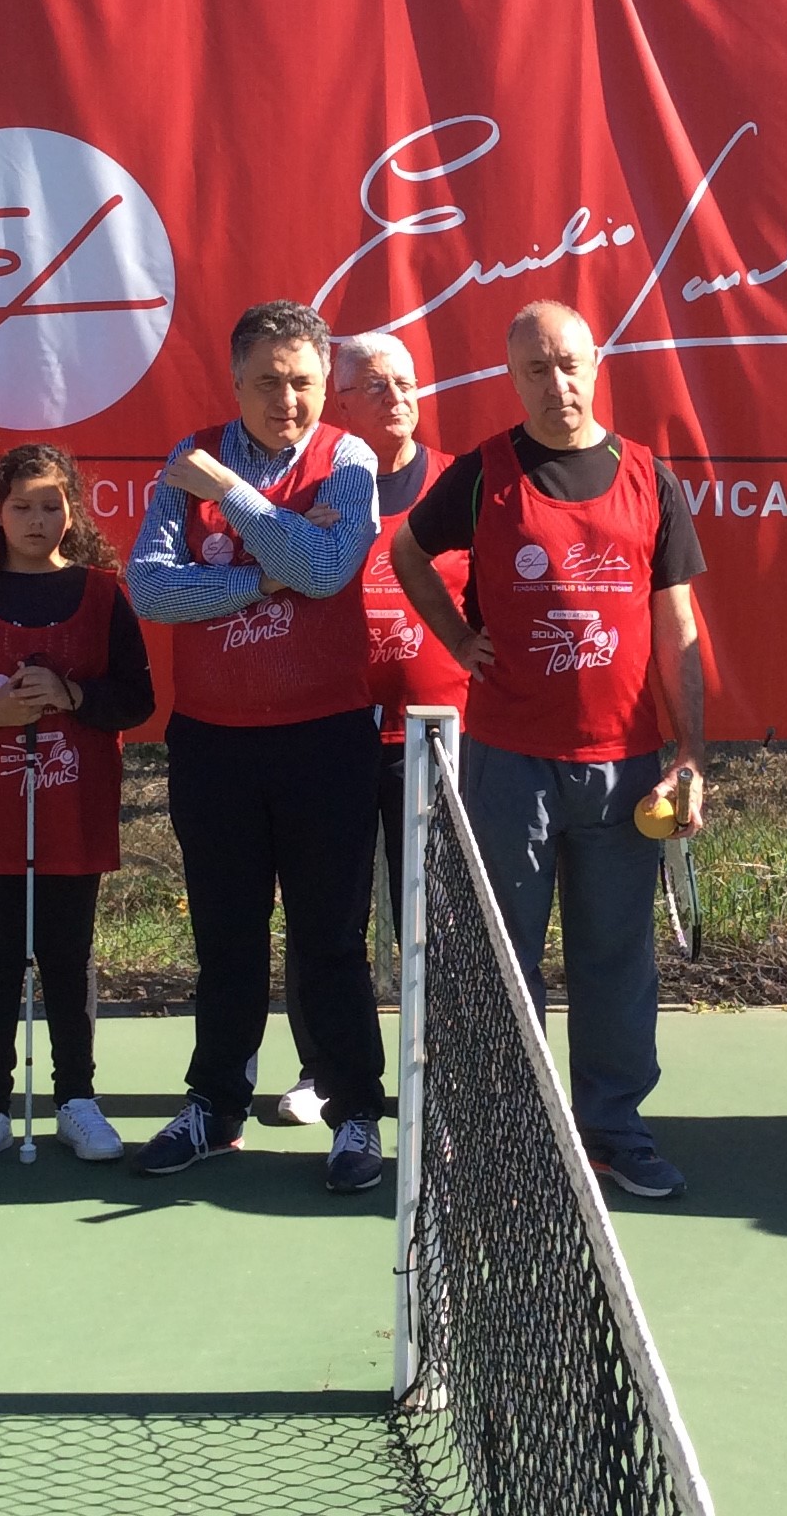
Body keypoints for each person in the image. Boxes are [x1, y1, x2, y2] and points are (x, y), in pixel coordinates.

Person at [391, 300, 707, 1201]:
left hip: (625, 768)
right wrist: (456, 640)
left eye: (568, 363)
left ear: (596, 361)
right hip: (508, 764)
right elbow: (409, 552)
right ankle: (500, 1132)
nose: (556, 383)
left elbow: (678, 626)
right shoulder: (484, 474)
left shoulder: (651, 478)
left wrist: (689, 752)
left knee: (616, 957)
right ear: (513, 377)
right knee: (502, 956)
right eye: (536, 368)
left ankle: (613, 1131)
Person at [123, 300, 390, 1194]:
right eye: (269, 381)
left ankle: (355, 1115)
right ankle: (215, 1108)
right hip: (216, 745)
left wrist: (231, 500)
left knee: (330, 941)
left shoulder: (346, 462)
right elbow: (153, 591)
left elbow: (324, 572)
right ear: (235, 381)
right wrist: (257, 574)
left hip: (326, 742)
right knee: (226, 940)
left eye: (304, 382)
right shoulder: (184, 461)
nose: (288, 399)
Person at [0, 444, 156, 1171]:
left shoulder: (104, 594)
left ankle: (77, 1100)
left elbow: (135, 700)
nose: (38, 520)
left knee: (67, 954)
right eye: (22, 506)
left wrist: (72, 696)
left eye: (52, 505)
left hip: (72, 807)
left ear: (73, 511)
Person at [264, 328, 475, 1128]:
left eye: (406, 382)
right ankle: (328, 1073)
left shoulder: (457, 487)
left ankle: (447, 1071)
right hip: (327, 735)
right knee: (326, 918)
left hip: (435, 738)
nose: (399, 397)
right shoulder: (309, 486)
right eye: (376, 386)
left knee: (440, 920)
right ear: (339, 403)